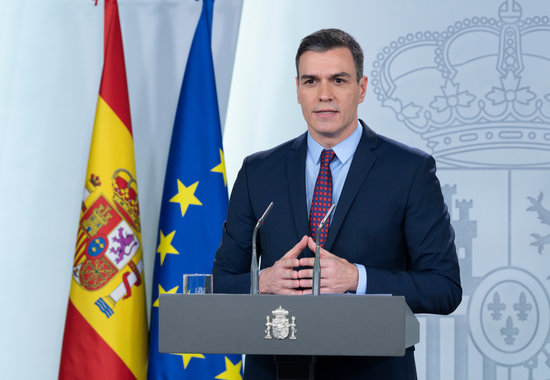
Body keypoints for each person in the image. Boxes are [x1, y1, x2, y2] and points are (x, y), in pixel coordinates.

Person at [213, 28, 461, 380]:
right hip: (274, 368)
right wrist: (264, 281)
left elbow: (444, 287)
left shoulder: (409, 171)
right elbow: (220, 281)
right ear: (297, 89)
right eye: (311, 81)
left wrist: (355, 277)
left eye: (338, 80)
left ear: (361, 88)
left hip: (371, 370)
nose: (324, 95)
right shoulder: (258, 170)